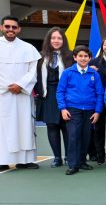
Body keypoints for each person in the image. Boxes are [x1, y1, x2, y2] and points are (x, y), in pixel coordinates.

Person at [0, 16, 41, 171]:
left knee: (25, 126)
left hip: (22, 94)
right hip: (2, 95)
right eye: (7, 26)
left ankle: (25, 160)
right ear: (1, 27)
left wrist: (20, 85)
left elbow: (33, 71)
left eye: (14, 27)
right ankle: (2, 160)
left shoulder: (28, 48)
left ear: (19, 29)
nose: (10, 30)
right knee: (3, 128)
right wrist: (6, 87)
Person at [56, 45, 104, 175]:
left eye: (86, 56)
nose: (83, 58)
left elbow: (100, 93)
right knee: (73, 136)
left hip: (90, 109)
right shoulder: (68, 73)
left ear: (90, 58)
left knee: (86, 137)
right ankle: (73, 164)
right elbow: (60, 91)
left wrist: (97, 111)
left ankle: (82, 161)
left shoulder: (94, 74)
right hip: (73, 109)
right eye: (80, 56)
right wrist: (63, 108)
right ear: (75, 57)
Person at [35, 27, 73, 168]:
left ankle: (69, 156)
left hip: (67, 94)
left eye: (59, 38)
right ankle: (57, 157)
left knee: (67, 126)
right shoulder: (39, 57)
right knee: (52, 126)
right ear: (48, 40)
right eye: (53, 38)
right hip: (48, 94)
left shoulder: (71, 56)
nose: (56, 41)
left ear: (64, 40)